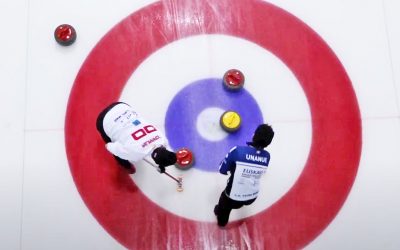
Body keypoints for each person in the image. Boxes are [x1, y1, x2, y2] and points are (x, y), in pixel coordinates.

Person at [214, 124, 274, 227]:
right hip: (252, 197)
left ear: (254, 135)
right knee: (238, 202)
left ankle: (221, 221)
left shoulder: (237, 151)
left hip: (231, 197)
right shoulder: (267, 156)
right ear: (268, 142)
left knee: (223, 207)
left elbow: (222, 170)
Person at [96, 102, 177, 174]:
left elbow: (160, 147)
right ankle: (126, 166)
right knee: (118, 153)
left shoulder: (162, 139)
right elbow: (109, 146)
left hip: (122, 107)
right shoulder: (135, 155)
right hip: (104, 120)